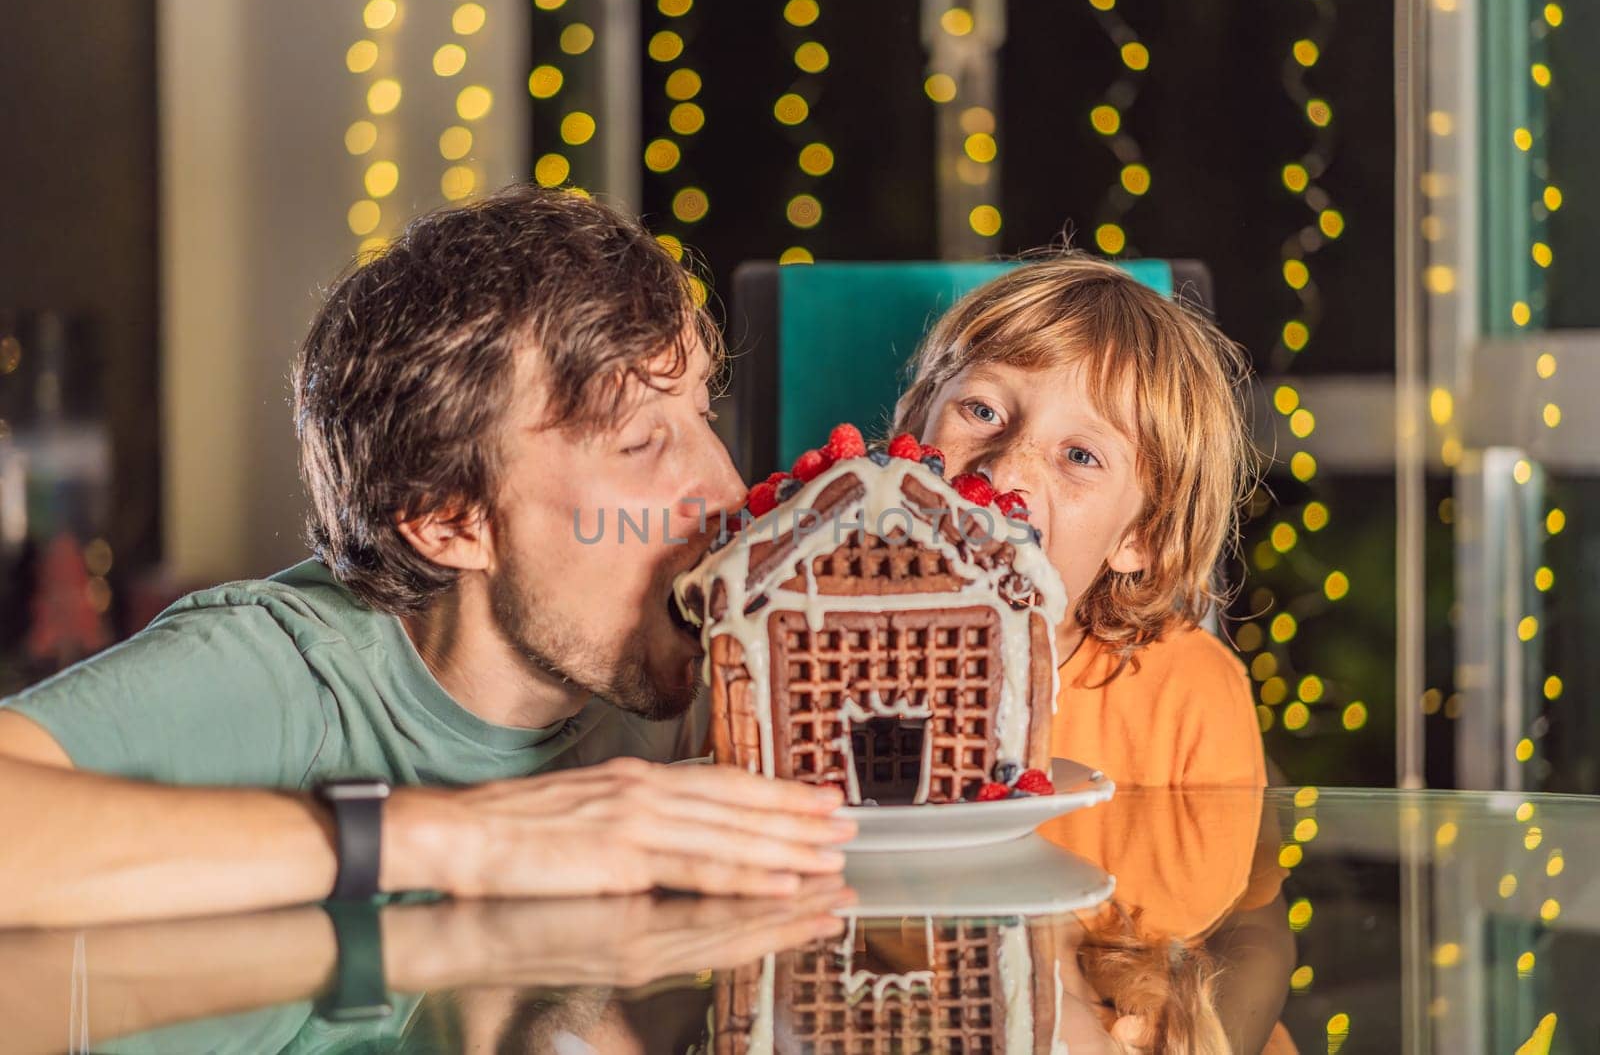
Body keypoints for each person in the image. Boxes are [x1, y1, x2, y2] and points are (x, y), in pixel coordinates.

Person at [0, 185, 854, 927]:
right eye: (637, 444)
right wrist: (466, 837)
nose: (727, 486)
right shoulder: (294, 674)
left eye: (702, 415)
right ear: (448, 519)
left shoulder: (684, 688)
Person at [894, 253, 1267, 787]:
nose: (1003, 471)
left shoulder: (1192, 695)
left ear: (1142, 535)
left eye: (1080, 456)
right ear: (912, 432)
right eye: (981, 411)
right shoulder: (802, 632)